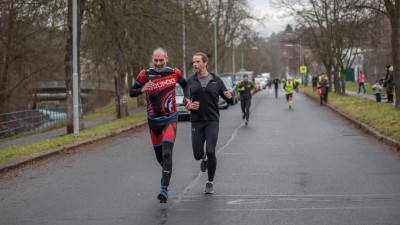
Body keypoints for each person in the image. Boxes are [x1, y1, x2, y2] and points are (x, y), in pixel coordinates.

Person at [129, 48, 189, 203]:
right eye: (156, 60)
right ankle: (166, 174)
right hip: (153, 121)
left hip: (170, 118)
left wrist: (186, 99)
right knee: (160, 157)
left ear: (166, 59)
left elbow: (185, 85)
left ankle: (164, 189)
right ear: (152, 59)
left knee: (167, 153)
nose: (158, 63)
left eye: (161, 60)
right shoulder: (145, 74)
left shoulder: (174, 72)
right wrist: (142, 89)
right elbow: (131, 91)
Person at [185, 52, 233, 194]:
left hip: (212, 120)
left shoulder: (216, 81)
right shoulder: (190, 81)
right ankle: (203, 158)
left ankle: (210, 182)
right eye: (193, 62)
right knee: (197, 154)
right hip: (196, 121)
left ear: (205, 63)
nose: (195, 64)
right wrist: (188, 105)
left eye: (198, 61)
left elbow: (228, 99)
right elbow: (186, 99)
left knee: (211, 151)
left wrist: (230, 96)